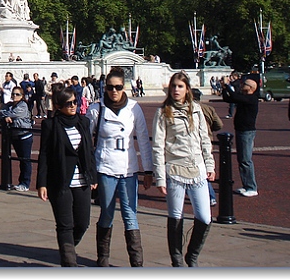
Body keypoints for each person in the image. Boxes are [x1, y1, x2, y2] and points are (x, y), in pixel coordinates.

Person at [86, 67, 153, 267]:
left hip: (128, 168)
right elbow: (86, 142)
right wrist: (90, 173)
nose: (114, 91)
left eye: (118, 87)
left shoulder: (134, 108)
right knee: (106, 213)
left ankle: (137, 263)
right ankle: (103, 259)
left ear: (124, 87)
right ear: (104, 87)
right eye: (110, 87)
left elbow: (143, 139)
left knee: (130, 214)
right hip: (105, 168)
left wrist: (148, 170)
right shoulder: (96, 109)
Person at [152, 72, 215, 267]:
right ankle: (177, 260)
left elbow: (205, 139)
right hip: (174, 169)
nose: (176, 90)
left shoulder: (196, 109)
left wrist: (210, 164)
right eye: (173, 86)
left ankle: (192, 255)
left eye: (180, 86)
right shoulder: (163, 112)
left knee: (204, 217)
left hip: (197, 168)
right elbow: (158, 146)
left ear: (187, 89)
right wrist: (160, 177)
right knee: (175, 216)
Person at [37, 86, 97, 266]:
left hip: (82, 180)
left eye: (75, 102)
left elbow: (89, 150)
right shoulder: (50, 125)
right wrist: (42, 183)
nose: (73, 106)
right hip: (60, 180)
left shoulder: (83, 122)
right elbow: (44, 155)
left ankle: (67, 247)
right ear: (58, 106)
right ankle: (69, 262)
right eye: (68, 103)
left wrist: (93, 176)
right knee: (65, 224)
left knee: (82, 223)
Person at [222, 74, 260, 197]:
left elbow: (233, 96)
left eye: (244, 84)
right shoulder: (245, 97)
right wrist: (224, 88)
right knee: (241, 159)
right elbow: (228, 99)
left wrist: (227, 85)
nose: (242, 85)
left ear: (250, 88)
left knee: (246, 160)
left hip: (246, 132)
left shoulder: (252, 98)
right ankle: (246, 185)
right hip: (241, 130)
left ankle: (251, 187)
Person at [0, 87, 33, 192]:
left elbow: (12, 114)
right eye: (13, 94)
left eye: (17, 94)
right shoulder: (9, 104)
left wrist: (4, 115)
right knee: (20, 159)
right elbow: (0, 112)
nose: (14, 96)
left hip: (25, 135)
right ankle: (20, 182)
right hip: (15, 135)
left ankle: (25, 183)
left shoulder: (23, 105)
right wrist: (4, 116)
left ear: (22, 96)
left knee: (25, 160)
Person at [192, 88, 223, 206]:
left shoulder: (191, 109)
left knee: (202, 171)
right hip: (208, 140)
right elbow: (219, 125)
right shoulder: (209, 109)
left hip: (196, 143)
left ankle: (210, 196)